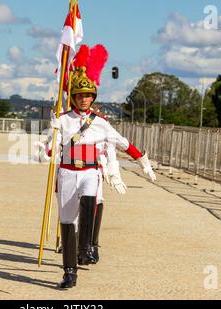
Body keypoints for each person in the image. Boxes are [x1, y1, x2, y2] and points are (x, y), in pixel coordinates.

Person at [47, 44, 156, 289]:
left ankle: (85, 246)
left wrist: (143, 162)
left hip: (89, 171)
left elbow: (124, 144)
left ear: (92, 97)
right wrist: (51, 133)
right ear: (73, 97)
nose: (83, 99)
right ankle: (70, 272)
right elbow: (49, 150)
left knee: (89, 199)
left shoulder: (101, 123)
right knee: (66, 221)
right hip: (66, 172)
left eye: (87, 95)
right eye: (79, 95)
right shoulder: (62, 120)